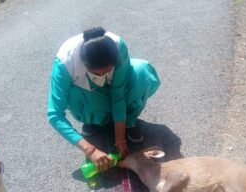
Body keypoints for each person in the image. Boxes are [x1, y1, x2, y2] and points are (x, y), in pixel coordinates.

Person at [47, 27, 161, 172]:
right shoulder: (64, 64)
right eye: (97, 73)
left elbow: (118, 94)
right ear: (85, 65)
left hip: (112, 88)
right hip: (88, 93)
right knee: (72, 94)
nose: (103, 74)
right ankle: (92, 119)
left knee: (142, 71)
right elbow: (54, 115)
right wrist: (90, 150)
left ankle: (127, 122)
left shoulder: (118, 48)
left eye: (108, 70)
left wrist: (120, 140)